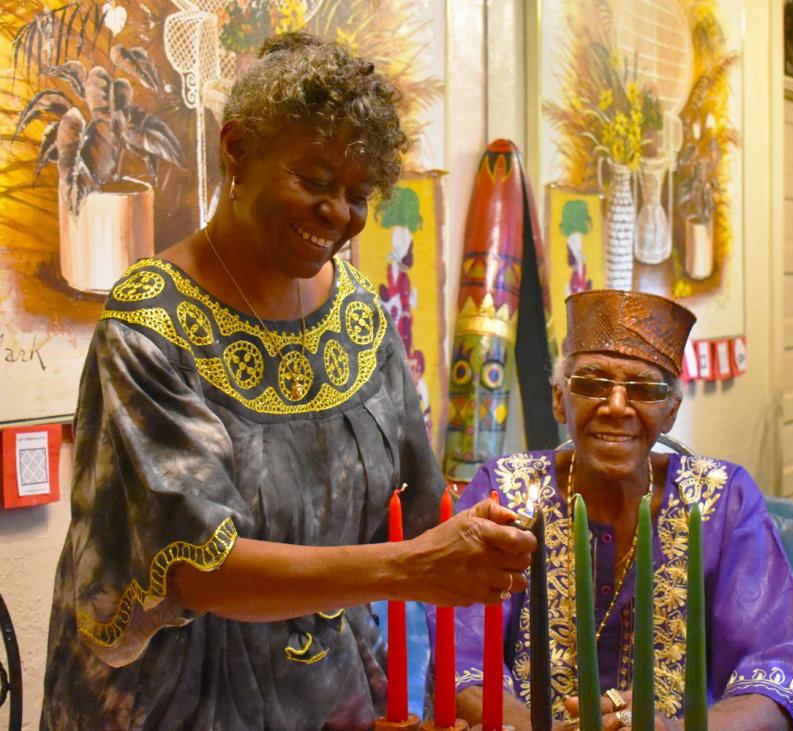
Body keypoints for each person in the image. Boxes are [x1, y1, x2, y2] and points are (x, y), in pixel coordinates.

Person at [40, 32, 534, 731]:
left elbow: (417, 512)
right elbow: (200, 565)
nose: (339, 214)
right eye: (315, 181)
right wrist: (407, 567)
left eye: (360, 194)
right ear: (236, 149)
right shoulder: (152, 324)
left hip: (326, 698)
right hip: (173, 704)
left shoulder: (360, 318)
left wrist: (498, 528)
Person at [427, 289, 793, 731]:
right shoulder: (504, 493)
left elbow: (775, 674)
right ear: (559, 399)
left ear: (670, 412)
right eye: (592, 383)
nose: (615, 407)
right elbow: (462, 665)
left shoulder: (723, 500)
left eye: (644, 389)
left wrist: (676, 730)